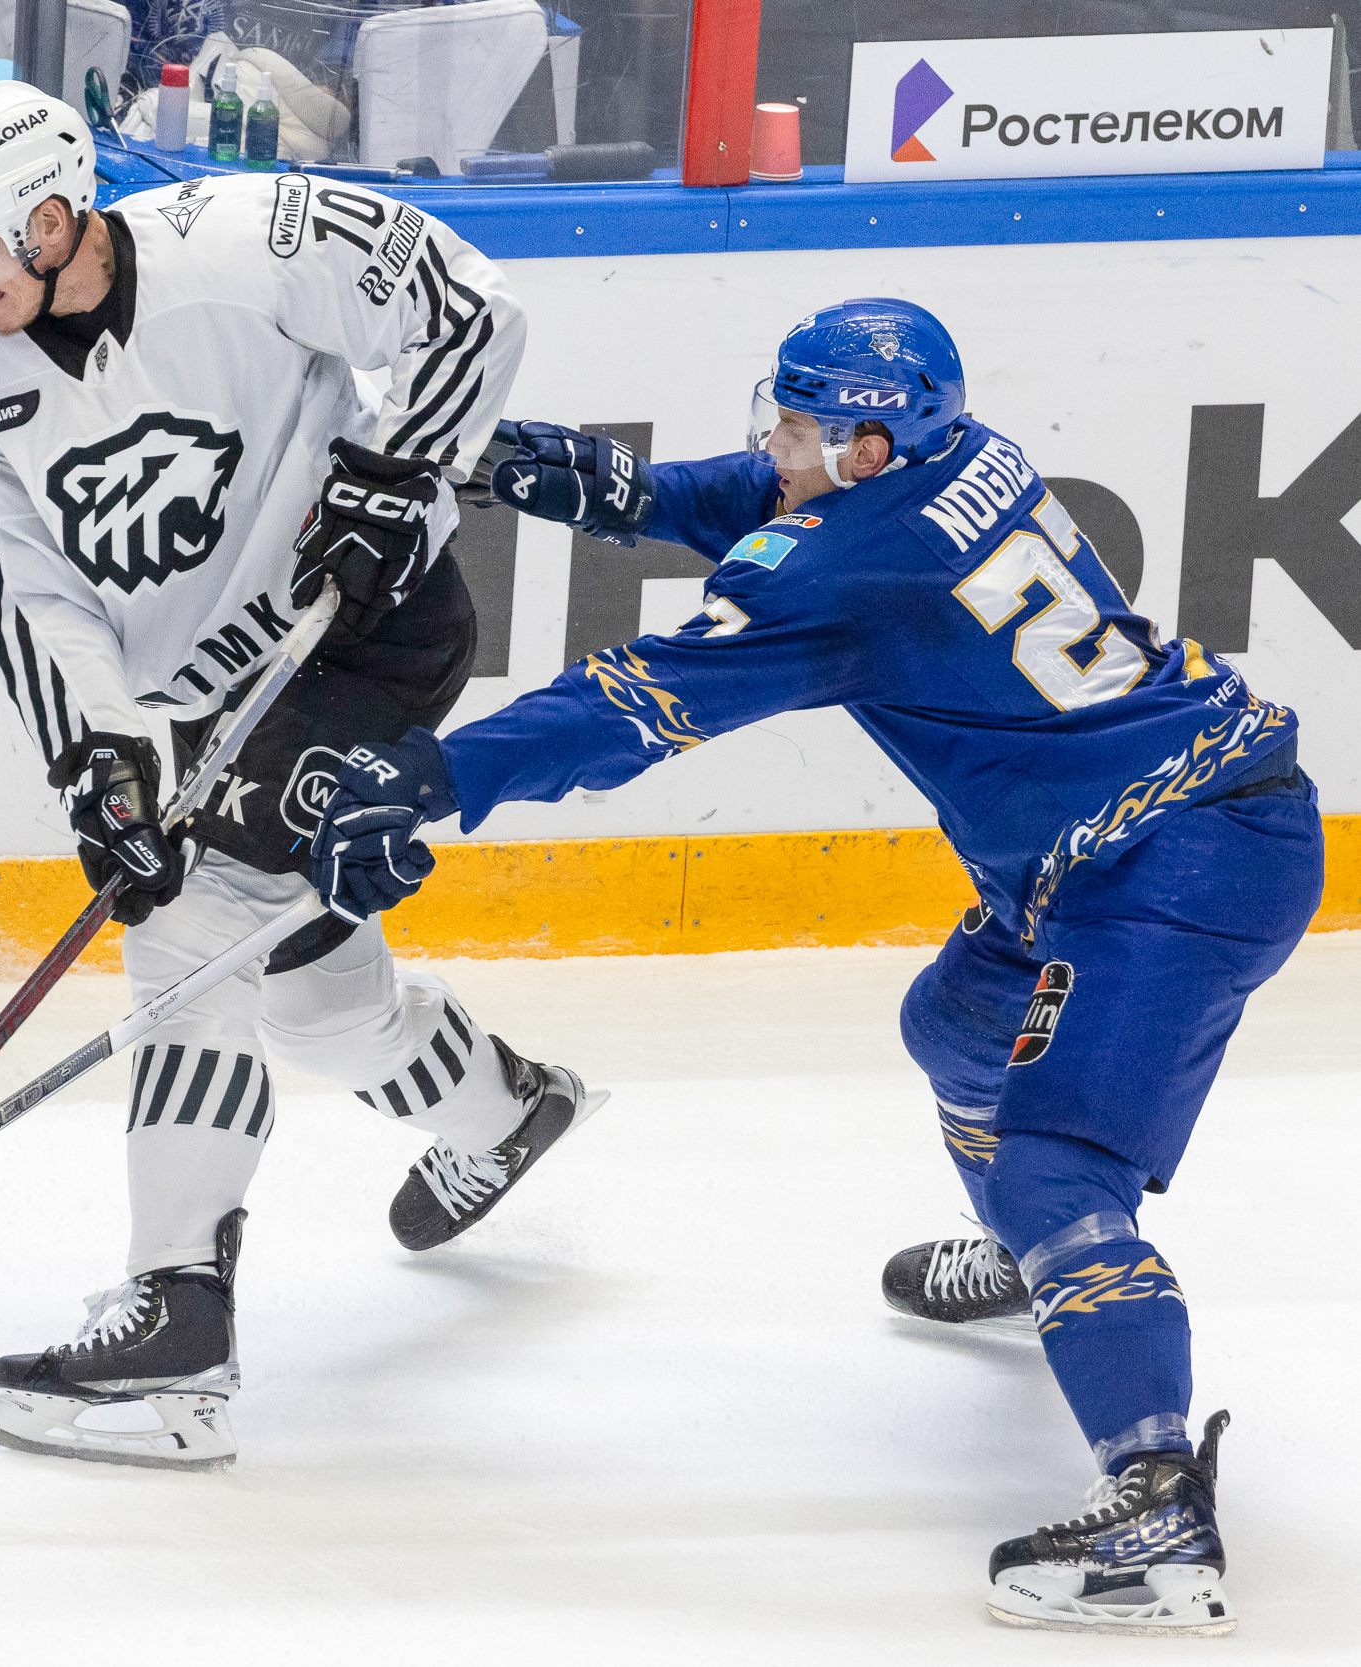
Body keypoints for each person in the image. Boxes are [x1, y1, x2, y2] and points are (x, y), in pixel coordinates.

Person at [313, 297, 1323, 1634]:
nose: (774, 443)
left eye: (798, 426)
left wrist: (430, 774)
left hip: (1173, 870)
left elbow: (635, 698)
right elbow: (761, 504)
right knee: (959, 1022)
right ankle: (1044, 1266)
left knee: (1055, 1165)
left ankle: (1156, 1504)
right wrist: (593, 482)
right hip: (1131, 839)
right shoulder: (963, 460)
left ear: (866, 443)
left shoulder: (852, 567)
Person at [0, 80, 600, 1470]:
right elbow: (14, 587)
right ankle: (507, 1108)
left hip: (362, 640)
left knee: (195, 925)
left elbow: (469, 310)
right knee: (320, 997)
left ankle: (179, 1323)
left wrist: (397, 472)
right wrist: (101, 763)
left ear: (53, 219)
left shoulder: (250, 238)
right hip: (194, 701)